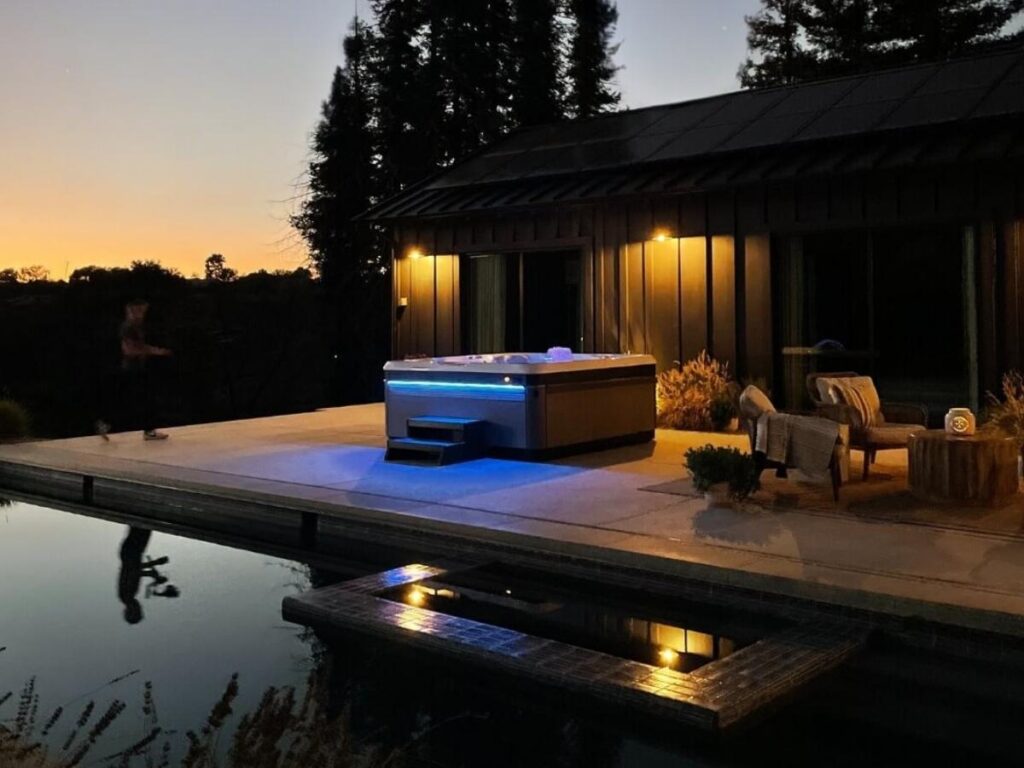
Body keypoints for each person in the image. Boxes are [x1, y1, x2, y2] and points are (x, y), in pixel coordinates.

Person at [100, 299, 173, 440]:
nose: (142, 313)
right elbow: (130, 350)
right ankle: (107, 422)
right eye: (139, 310)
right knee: (139, 399)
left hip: (137, 367)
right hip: (132, 368)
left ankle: (109, 423)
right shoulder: (129, 327)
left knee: (139, 400)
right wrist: (158, 351)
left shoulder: (136, 327)